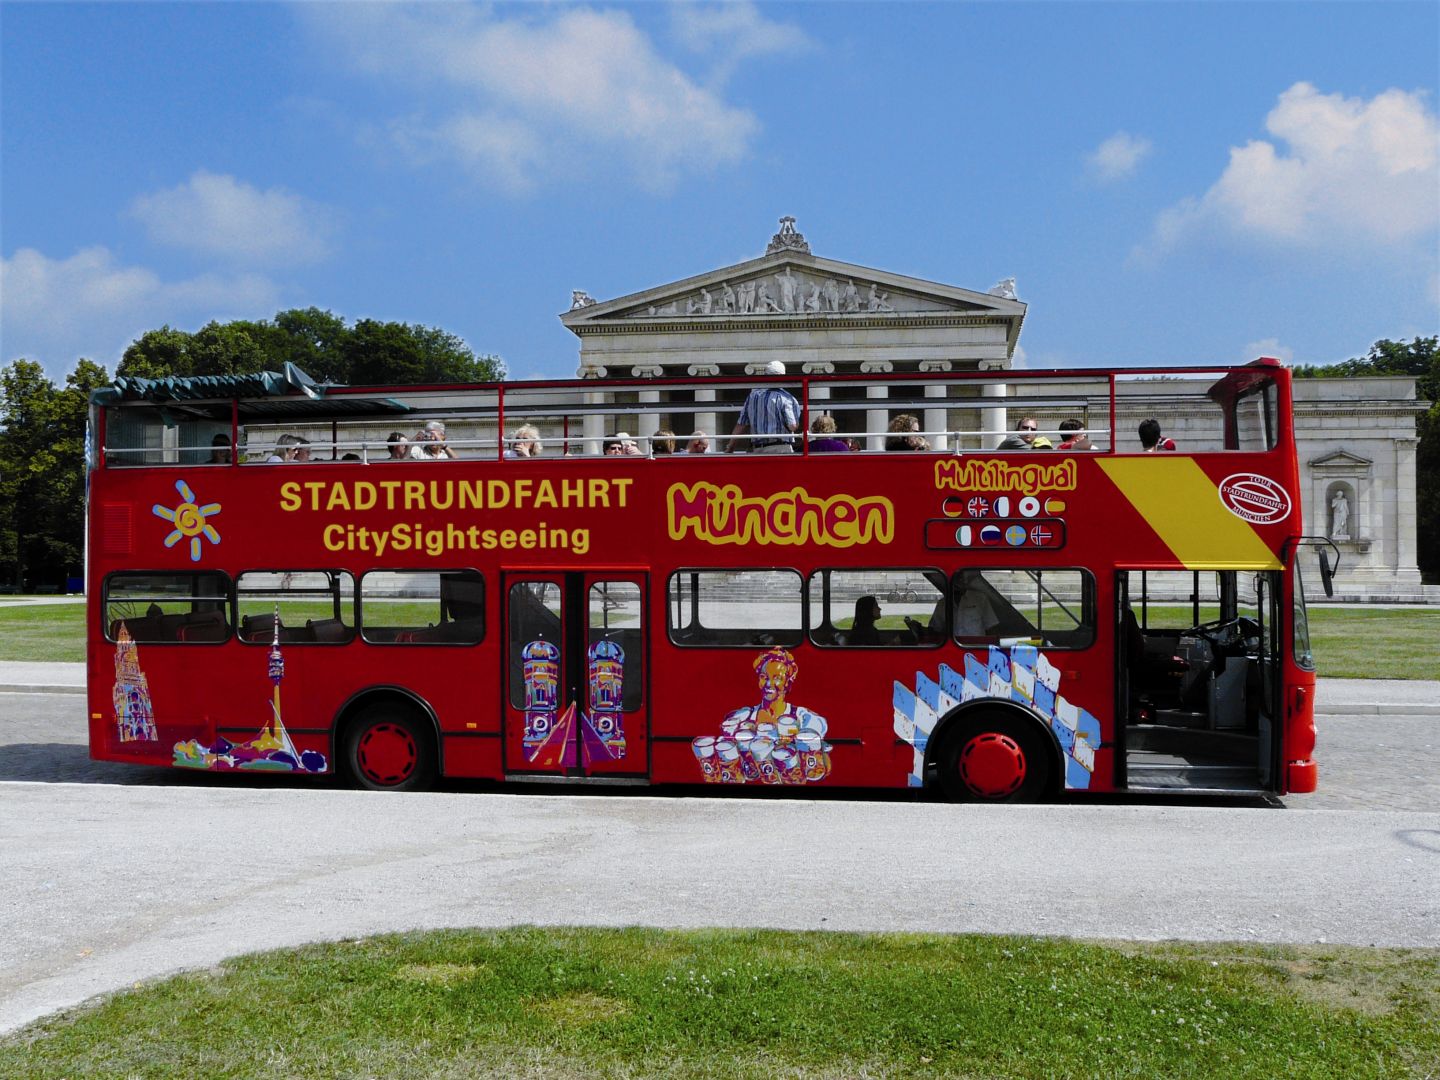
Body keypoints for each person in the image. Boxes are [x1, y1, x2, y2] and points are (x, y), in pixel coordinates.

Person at [728, 359, 799, 453]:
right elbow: (792, 426)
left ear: (765, 375)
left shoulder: (753, 397)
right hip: (780, 448)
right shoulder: (786, 398)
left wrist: (731, 446)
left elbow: (741, 424)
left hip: (757, 449)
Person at [948, 571, 1001, 639]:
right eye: (956, 579)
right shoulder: (942, 604)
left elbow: (991, 626)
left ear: (966, 580)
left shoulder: (980, 598)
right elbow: (937, 628)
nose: (959, 582)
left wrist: (988, 643)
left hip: (975, 644)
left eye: (961, 578)